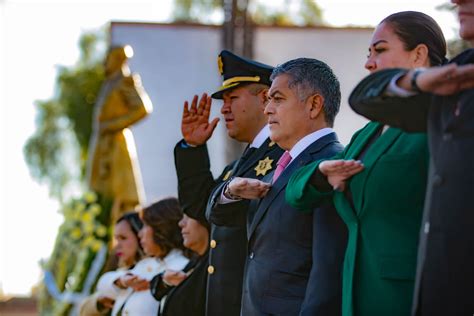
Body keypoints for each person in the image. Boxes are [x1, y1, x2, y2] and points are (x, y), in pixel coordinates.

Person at [286, 11, 447, 316]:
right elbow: (296, 192)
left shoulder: (440, 120)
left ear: (419, 55)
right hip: (354, 297)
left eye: (380, 50)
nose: (368, 63)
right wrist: (322, 173)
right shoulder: (369, 132)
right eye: (368, 53)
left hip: (408, 297)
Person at [348, 2, 474, 315]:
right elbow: (362, 97)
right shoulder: (459, 76)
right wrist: (417, 81)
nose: (456, 1)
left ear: (418, 54)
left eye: (379, 50)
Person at [210, 58, 347, 315]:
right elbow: (218, 217)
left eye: (278, 99)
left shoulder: (328, 165)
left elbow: (327, 272)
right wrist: (230, 192)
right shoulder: (283, 165)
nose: (267, 109)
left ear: (314, 105)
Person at [174, 50, 283, 316]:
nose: (223, 108)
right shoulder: (240, 165)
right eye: (223, 100)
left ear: (264, 98)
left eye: (233, 98)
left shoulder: (283, 154)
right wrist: (192, 148)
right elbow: (201, 209)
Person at [87, 45, 152, 224]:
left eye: (107, 59)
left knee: (123, 199)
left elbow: (142, 109)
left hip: (117, 145)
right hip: (103, 146)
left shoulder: (125, 81)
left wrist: (112, 126)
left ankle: (124, 236)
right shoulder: (108, 83)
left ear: (116, 59)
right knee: (101, 197)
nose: (104, 63)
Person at [103, 198, 189, 316]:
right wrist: (122, 281)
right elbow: (103, 283)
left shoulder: (180, 267)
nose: (140, 234)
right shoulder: (147, 264)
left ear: (161, 228)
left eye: (144, 226)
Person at [79, 212, 144, 316]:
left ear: (140, 235)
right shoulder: (117, 270)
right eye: (116, 239)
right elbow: (83, 311)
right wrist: (100, 302)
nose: (117, 245)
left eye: (123, 238)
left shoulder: (153, 269)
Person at [150, 213, 210, 316]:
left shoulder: (213, 265)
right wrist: (165, 281)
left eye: (188, 216)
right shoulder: (194, 263)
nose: (181, 223)